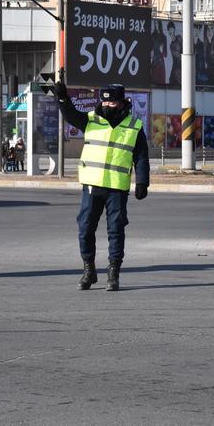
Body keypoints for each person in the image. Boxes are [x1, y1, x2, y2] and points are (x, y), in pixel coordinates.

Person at [51, 82, 150, 291]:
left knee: (116, 230)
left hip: (117, 187)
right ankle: (89, 270)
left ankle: (113, 273)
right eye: (104, 101)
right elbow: (71, 116)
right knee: (85, 228)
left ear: (121, 102)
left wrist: (142, 182)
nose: (107, 105)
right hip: (92, 184)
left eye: (111, 102)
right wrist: (62, 99)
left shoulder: (134, 126)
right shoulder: (91, 120)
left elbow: (141, 156)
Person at [167, 22, 182, 86]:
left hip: (182, 66)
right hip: (175, 68)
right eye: (169, 30)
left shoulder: (179, 38)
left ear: (174, 29)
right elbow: (174, 60)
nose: (170, 31)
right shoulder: (171, 45)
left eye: (171, 29)